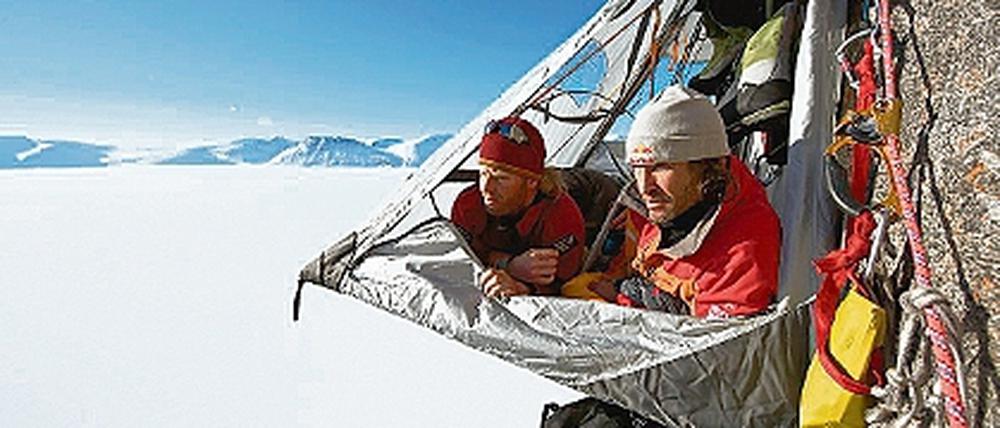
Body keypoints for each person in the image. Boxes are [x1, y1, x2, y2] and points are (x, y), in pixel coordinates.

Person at [567, 85, 780, 318]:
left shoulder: (739, 254)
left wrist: (619, 300)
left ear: (707, 168)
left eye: (660, 166)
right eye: (637, 168)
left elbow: (711, 347)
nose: (645, 187)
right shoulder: (662, 204)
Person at [451, 116, 586, 298]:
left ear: (531, 181)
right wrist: (509, 265)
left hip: (596, 195)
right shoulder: (468, 204)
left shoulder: (562, 216)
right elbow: (458, 259)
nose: (486, 188)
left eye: (501, 178)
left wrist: (523, 288)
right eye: (483, 174)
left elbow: (562, 285)